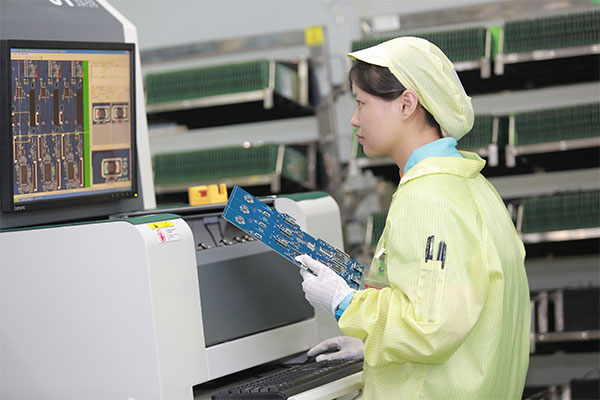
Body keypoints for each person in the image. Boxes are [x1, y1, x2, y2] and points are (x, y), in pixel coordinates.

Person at [295, 37, 531, 399]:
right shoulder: (473, 186)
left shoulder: (428, 198)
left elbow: (428, 327)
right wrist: (372, 344)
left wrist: (344, 302)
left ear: (406, 104)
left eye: (361, 103)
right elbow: (457, 313)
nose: (354, 120)